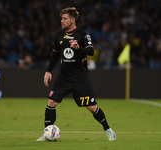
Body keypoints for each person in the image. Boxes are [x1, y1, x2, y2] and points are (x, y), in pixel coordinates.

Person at [36, 7, 116, 141]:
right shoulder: (59, 36)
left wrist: (79, 48)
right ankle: (46, 134)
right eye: (61, 18)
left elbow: (91, 51)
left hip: (80, 78)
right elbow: (55, 55)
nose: (61, 21)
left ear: (73, 20)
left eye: (64, 18)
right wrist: (48, 71)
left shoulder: (83, 35)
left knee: (91, 107)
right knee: (51, 102)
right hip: (64, 77)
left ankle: (107, 129)